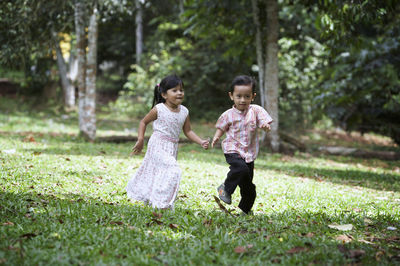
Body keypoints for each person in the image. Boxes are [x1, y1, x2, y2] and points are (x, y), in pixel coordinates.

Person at [126, 74, 209, 209]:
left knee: (160, 172)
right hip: (157, 144)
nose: (179, 93)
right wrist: (140, 139)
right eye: (174, 90)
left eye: (181, 90)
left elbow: (188, 131)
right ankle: (161, 203)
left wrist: (200, 141)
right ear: (164, 94)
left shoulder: (184, 111)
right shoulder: (159, 109)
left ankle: (153, 197)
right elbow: (143, 122)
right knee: (173, 170)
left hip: (172, 147)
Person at [211, 75, 273, 215]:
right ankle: (225, 189)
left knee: (248, 187)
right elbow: (221, 127)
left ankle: (245, 209)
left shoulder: (256, 110)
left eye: (247, 96)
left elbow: (264, 120)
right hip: (232, 149)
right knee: (241, 168)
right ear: (231, 96)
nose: (243, 100)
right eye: (238, 96)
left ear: (253, 96)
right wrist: (216, 137)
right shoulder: (228, 114)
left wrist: (265, 125)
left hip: (249, 153)